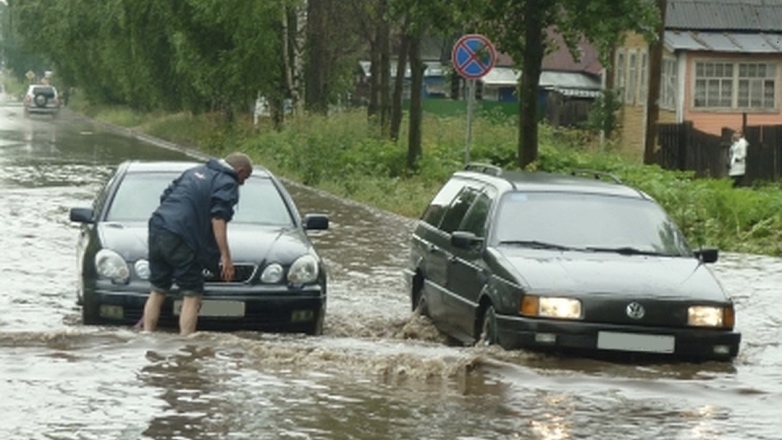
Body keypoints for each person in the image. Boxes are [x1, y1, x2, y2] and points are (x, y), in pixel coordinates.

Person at [142, 152, 253, 335]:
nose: (242, 183)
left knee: (158, 290)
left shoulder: (193, 171)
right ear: (240, 171)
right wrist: (226, 256)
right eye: (245, 178)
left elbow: (166, 197)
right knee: (192, 295)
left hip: (158, 227)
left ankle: (146, 335)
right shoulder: (227, 182)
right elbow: (218, 218)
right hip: (182, 236)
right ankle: (187, 344)